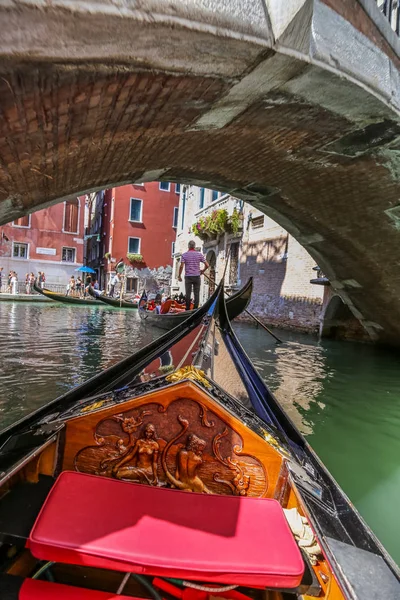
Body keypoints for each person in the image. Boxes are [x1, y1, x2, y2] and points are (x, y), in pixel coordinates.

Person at [178, 240, 209, 310]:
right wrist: (202, 271)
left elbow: (181, 266)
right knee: (196, 293)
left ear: (188, 246)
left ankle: (188, 308)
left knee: (188, 293)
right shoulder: (199, 254)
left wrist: (179, 276)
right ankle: (195, 309)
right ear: (194, 247)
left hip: (188, 277)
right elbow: (207, 265)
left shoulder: (184, 255)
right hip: (197, 276)